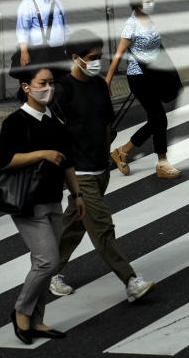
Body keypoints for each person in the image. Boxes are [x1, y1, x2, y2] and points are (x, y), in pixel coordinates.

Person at [48, 30, 155, 303]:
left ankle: (48, 271)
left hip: (100, 168)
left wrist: (106, 148)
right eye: (92, 57)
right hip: (79, 173)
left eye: (99, 56)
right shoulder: (62, 91)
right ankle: (131, 281)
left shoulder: (97, 85)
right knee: (102, 227)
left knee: (74, 224)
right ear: (76, 58)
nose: (98, 62)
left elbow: (107, 122)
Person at [0, 66, 85, 344]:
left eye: (51, 83)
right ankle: (21, 312)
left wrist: (77, 194)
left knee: (48, 261)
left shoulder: (54, 121)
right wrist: (42, 154)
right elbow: (5, 160)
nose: (48, 87)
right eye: (42, 82)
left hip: (52, 201)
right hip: (26, 203)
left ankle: (37, 320)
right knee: (48, 261)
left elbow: (68, 161)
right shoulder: (16, 122)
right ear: (26, 87)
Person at [106, 0, 180, 179]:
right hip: (139, 77)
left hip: (154, 75)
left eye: (152, 0)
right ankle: (162, 163)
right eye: (147, 0)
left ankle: (124, 150)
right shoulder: (131, 25)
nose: (151, 4)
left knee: (156, 119)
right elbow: (118, 55)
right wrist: (107, 82)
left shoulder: (147, 19)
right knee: (159, 118)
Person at [15, 0, 70, 78]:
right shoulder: (28, 3)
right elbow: (22, 30)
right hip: (39, 54)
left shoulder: (58, 2)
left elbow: (65, 27)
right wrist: (24, 52)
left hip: (58, 52)